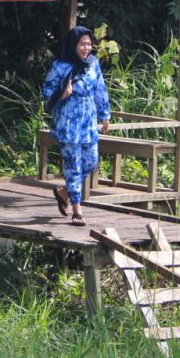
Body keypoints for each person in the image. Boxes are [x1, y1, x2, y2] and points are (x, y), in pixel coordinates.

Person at [42, 26, 110, 226]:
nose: (86, 48)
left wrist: (105, 115)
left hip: (88, 119)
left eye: (89, 44)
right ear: (73, 45)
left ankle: (64, 192)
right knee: (73, 166)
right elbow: (46, 91)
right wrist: (62, 93)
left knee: (91, 162)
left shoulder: (93, 63)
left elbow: (100, 89)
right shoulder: (60, 66)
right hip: (67, 121)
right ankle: (77, 210)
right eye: (82, 44)